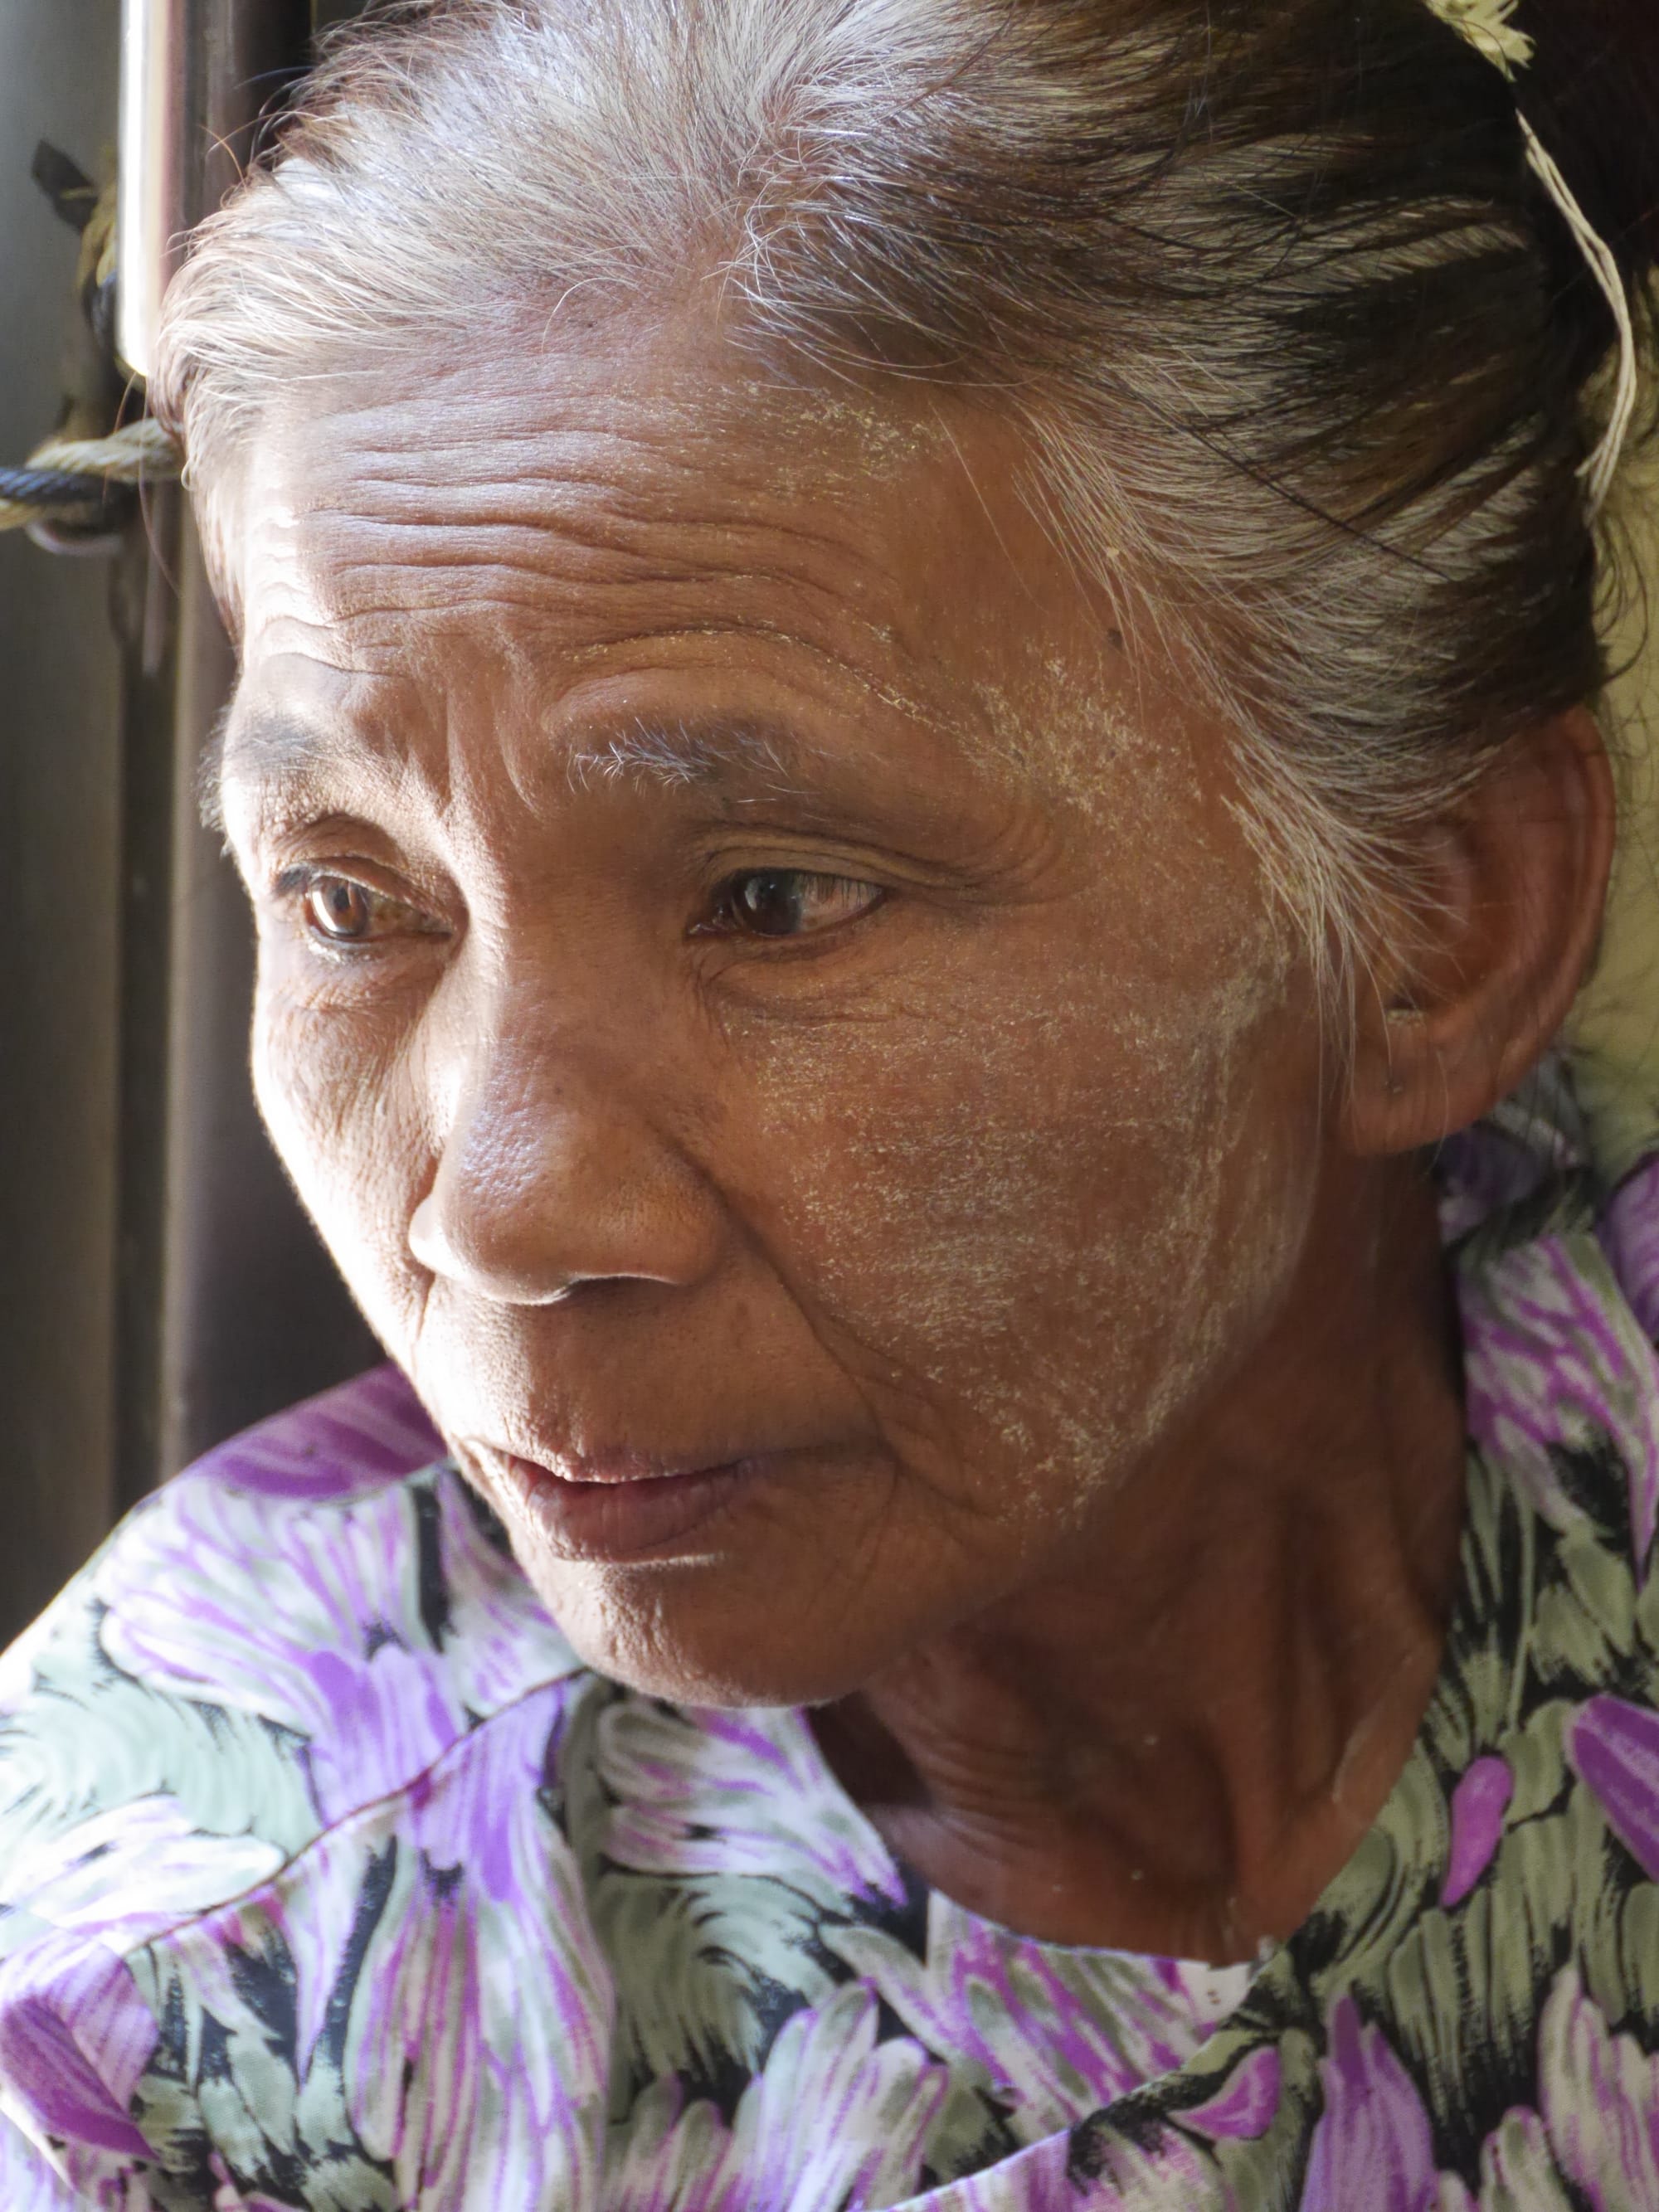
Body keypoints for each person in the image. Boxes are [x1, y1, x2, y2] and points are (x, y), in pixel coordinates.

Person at [2, 0, 1657, 2202]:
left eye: (771, 898)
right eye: (346, 899)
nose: (495, 1212)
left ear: (1437, 922)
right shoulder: (182, 2013)